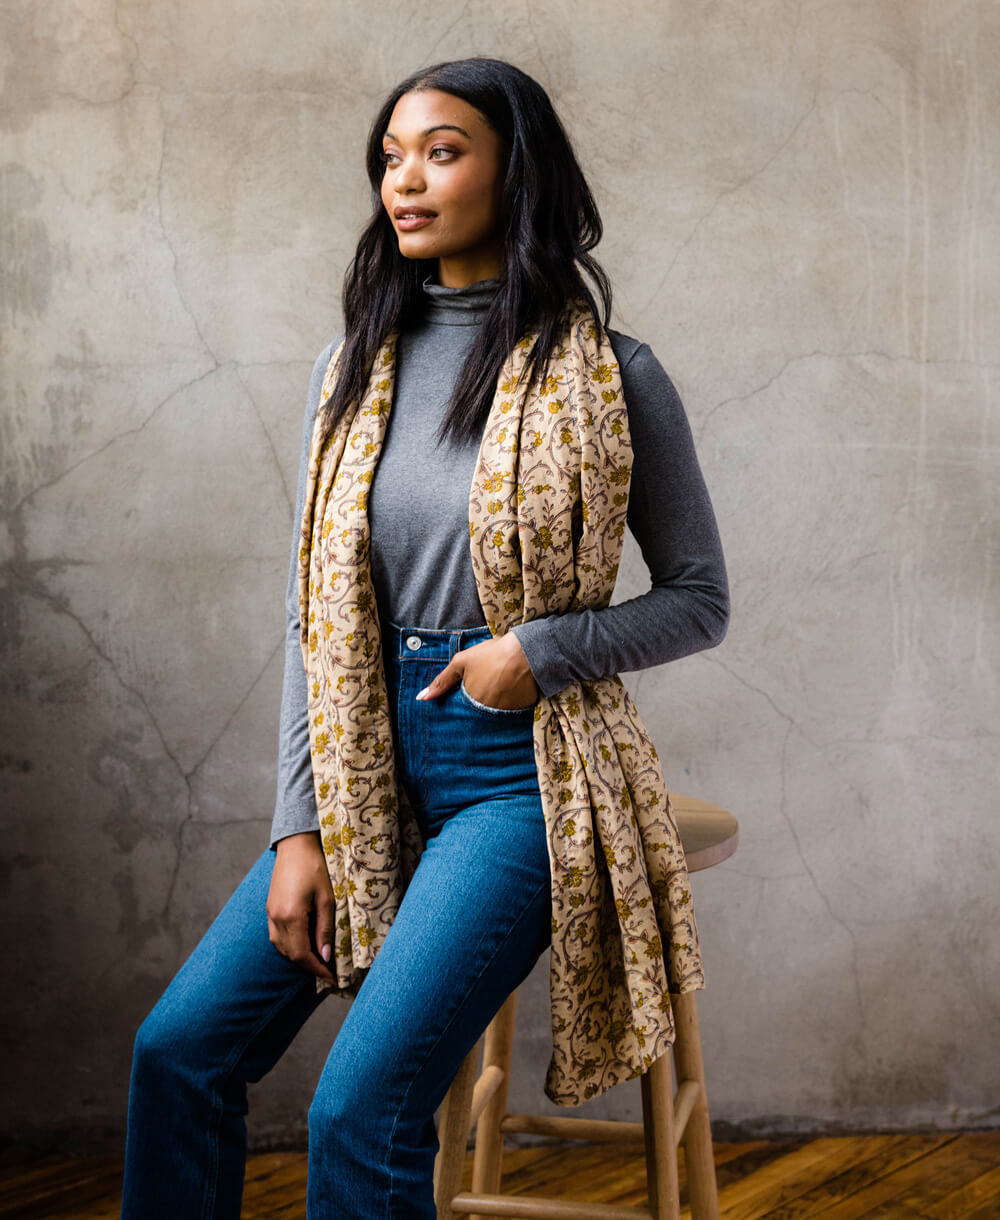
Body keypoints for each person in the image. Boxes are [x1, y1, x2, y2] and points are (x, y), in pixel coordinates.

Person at [121, 56, 729, 1220]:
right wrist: (298, 824)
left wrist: (537, 651)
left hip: (520, 775)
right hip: (364, 765)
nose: (405, 179)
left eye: (442, 151)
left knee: (359, 1106)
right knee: (178, 1048)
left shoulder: (611, 371)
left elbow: (699, 598)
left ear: (516, 170)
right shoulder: (348, 369)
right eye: (392, 155)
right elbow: (315, 617)